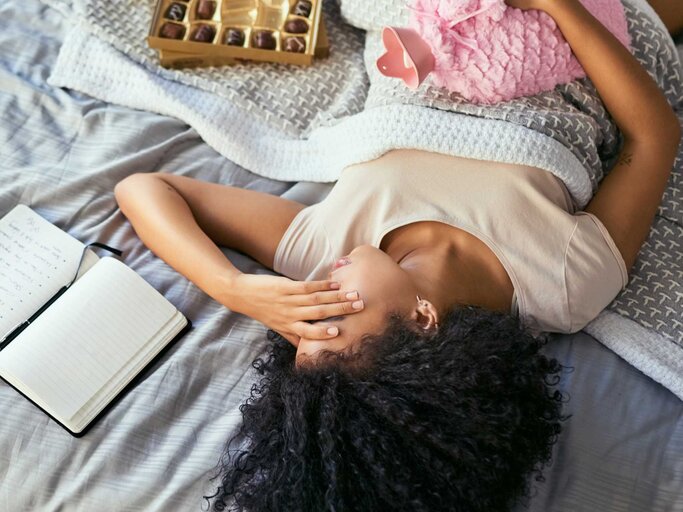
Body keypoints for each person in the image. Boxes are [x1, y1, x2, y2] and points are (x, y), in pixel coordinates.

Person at [114, 0, 681, 510]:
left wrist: (234, 289)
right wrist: (555, 5)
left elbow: (145, 190)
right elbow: (653, 136)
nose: (317, 303)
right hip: (571, 31)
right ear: (421, 320)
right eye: (333, 319)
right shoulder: (561, 282)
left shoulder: (326, 248)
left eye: (302, 327)